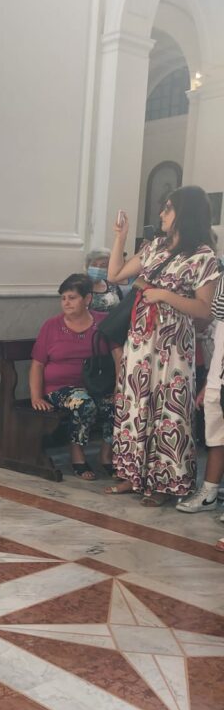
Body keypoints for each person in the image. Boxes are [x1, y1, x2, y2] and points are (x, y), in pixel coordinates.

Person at [107, 187, 221, 505]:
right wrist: (120, 236)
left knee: (167, 412)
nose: (162, 214)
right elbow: (115, 274)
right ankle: (133, 476)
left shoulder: (204, 257)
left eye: (168, 208)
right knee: (136, 406)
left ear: (186, 213)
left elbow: (204, 309)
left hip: (173, 347)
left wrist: (164, 295)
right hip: (141, 342)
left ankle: (163, 484)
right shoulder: (154, 246)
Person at [30, 274, 122, 479]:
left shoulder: (102, 322)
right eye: (63, 298)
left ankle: (106, 455)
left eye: (72, 297)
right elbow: (37, 364)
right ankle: (77, 454)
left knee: (116, 403)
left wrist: (119, 385)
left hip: (96, 385)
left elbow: (118, 353)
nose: (66, 302)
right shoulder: (51, 326)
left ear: (87, 299)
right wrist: (36, 396)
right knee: (84, 404)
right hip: (60, 389)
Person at [176, 274, 224, 543]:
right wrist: (209, 382)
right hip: (219, 373)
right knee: (216, 438)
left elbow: (214, 308)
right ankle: (208, 493)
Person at [84, 247, 123, 312]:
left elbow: (122, 308)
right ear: (87, 266)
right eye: (94, 265)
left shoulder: (113, 286)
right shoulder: (79, 285)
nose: (98, 268)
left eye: (103, 265)